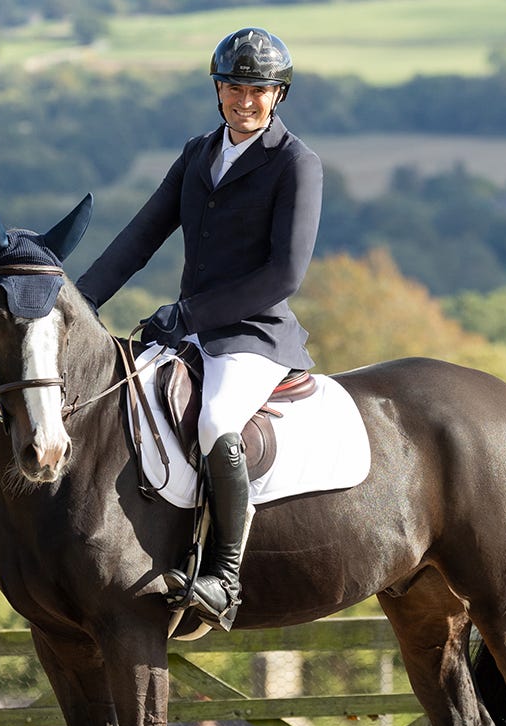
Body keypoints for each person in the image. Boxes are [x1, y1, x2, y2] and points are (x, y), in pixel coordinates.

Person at [76, 27, 323, 631]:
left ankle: (225, 576)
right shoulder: (198, 155)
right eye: (234, 87)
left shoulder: (295, 164)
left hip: (253, 336)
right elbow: (140, 237)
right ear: (218, 90)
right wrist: (79, 304)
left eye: (258, 90)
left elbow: (284, 274)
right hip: (190, 334)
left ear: (279, 94)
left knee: (215, 420)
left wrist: (188, 315)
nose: (245, 101)